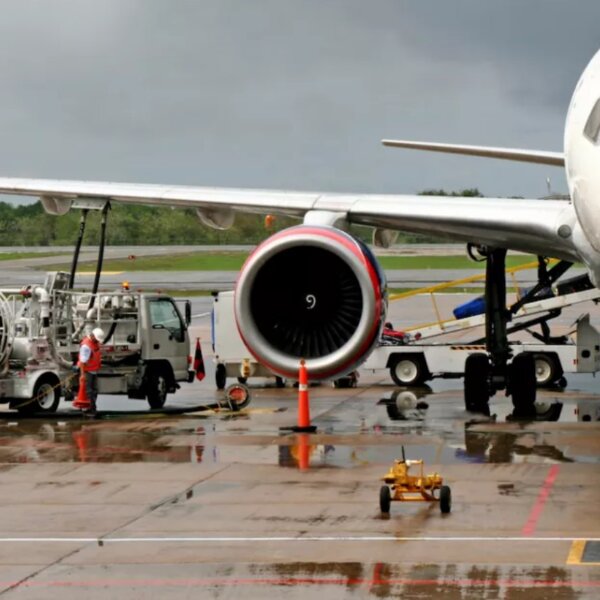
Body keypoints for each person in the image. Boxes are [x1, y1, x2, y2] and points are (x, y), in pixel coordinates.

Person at [78, 327, 104, 413]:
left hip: (94, 371)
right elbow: (82, 362)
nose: (97, 341)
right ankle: (90, 409)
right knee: (89, 391)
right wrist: (82, 375)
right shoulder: (86, 346)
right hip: (87, 371)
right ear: (93, 336)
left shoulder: (94, 343)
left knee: (94, 390)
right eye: (96, 339)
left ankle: (91, 407)